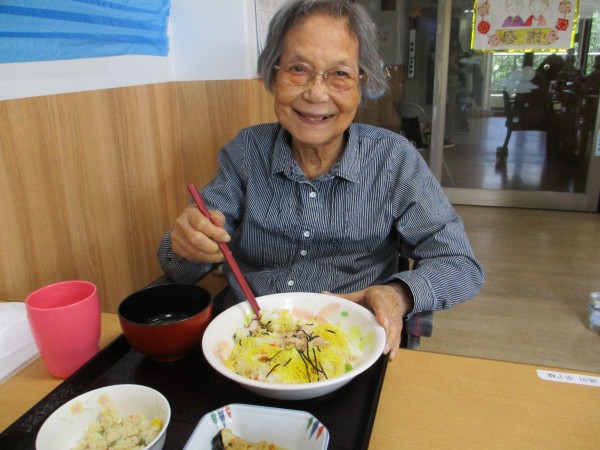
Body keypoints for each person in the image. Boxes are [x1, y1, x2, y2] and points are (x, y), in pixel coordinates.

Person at [158, 0, 484, 360]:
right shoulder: (246, 152)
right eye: (298, 69)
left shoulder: (393, 160)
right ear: (274, 75)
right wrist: (186, 244)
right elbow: (180, 267)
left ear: (362, 83)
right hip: (249, 346)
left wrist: (399, 293)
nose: (316, 93)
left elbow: (460, 264)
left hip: (348, 348)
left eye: (339, 74)